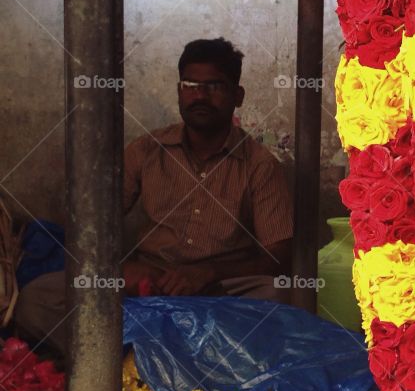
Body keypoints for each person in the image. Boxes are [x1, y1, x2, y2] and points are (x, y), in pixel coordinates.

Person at [16, 38, 293, 355]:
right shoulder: (148, 149)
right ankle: (152, 357)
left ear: (237, 96)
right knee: (39, 298)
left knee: (275, 296)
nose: (200, 95)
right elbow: (92, 226)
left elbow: (278, 257)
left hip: (218, 290)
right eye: (190, 85)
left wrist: (209, 273)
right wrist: (122, 269)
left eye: (214, 86)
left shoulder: (259, 165)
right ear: (179, 91)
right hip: (148, 284)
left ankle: (144, 353)